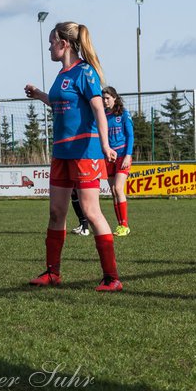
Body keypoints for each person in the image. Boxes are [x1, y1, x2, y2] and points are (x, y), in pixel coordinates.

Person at [24, 22, 122, 291]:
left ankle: (112, 278)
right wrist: (40, 95)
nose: (48, 47)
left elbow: (98, 110)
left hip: (84, 152)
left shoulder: (85, 72)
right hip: (62, 152)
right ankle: (52, 273)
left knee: (91, 212)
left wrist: (105, 145)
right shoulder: (61, 74)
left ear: (63, 43)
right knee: (56, 212)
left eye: (51, 41)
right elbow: (60, 104)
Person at [69, 86, 135, 236]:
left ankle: (124, 225)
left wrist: (128, 155)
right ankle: (120, 225)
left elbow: (130, 136)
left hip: (122, 156)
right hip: (108, 157)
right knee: (113, 191)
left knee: (118, 189)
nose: (105, 101)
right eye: (103, 98)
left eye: (108, 98)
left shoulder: (123, 114)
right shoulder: (103, 115)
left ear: (115, 98)